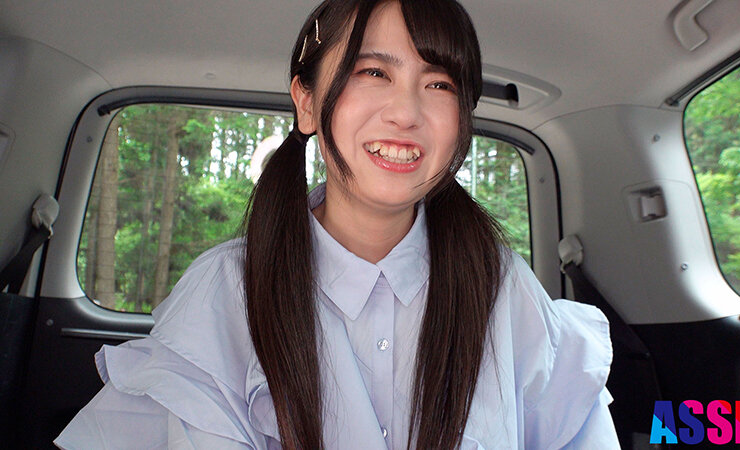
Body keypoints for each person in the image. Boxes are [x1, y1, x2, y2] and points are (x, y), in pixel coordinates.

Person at [55, 0, 619, 448]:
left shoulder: (504, 287)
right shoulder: (226, 290)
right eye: (372, 72)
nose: (406, 113)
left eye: (440, 84)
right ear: (306, 103)